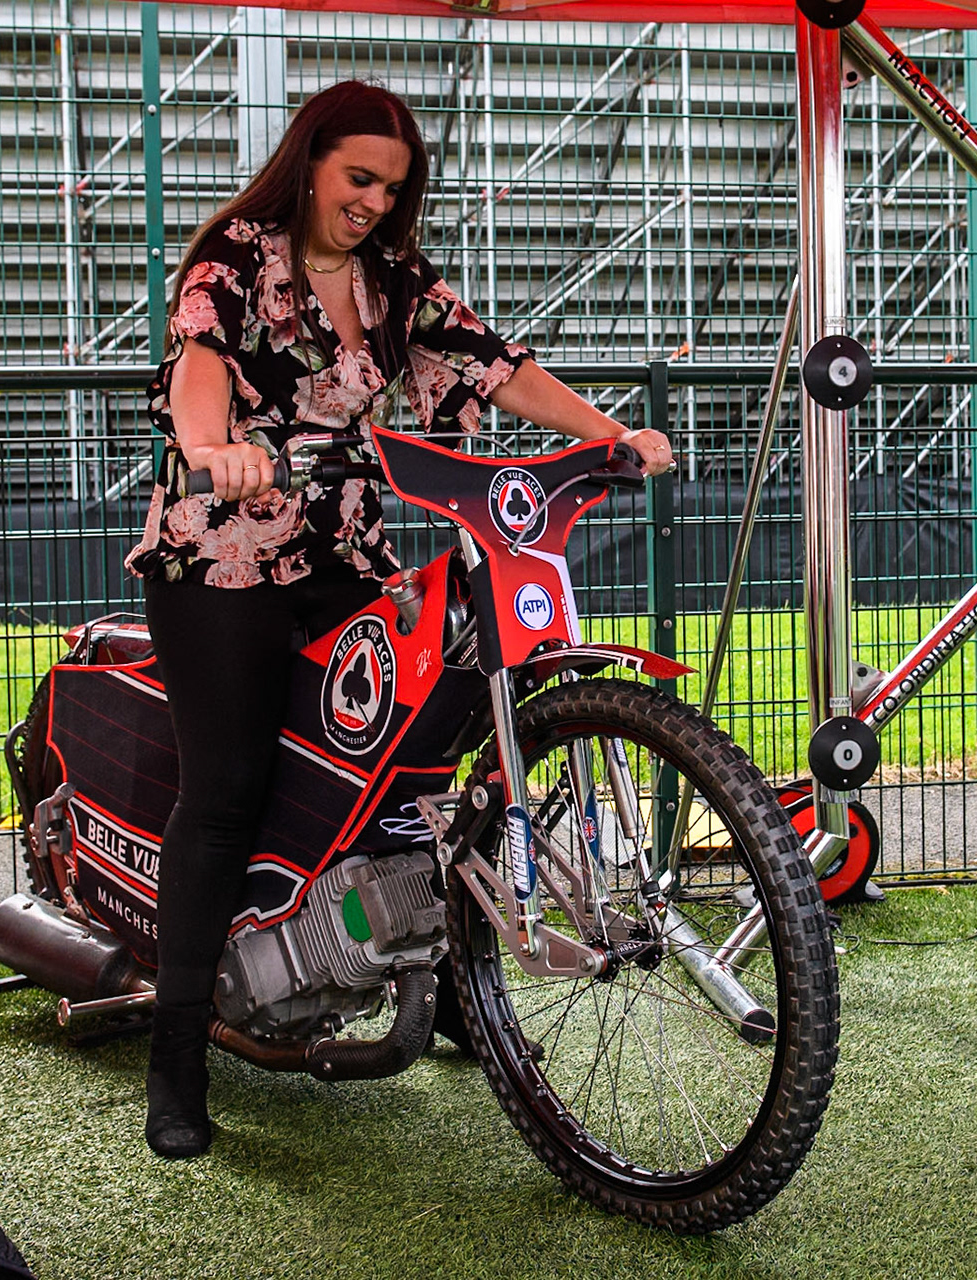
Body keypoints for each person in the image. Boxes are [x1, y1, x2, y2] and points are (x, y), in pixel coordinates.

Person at [123, 80, 674, 1159]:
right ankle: (177, 1056)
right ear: (311, 164)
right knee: (225, 794)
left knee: (424, 756)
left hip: (346, 549)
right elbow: (196, 368)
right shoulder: (238, 256)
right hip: (226, 553)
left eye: (392, 185)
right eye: (357, 178)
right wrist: (211, 448)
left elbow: (496, 366)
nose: (373, 201)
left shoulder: (394, 278)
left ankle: (453, 982)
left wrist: (614, 433)